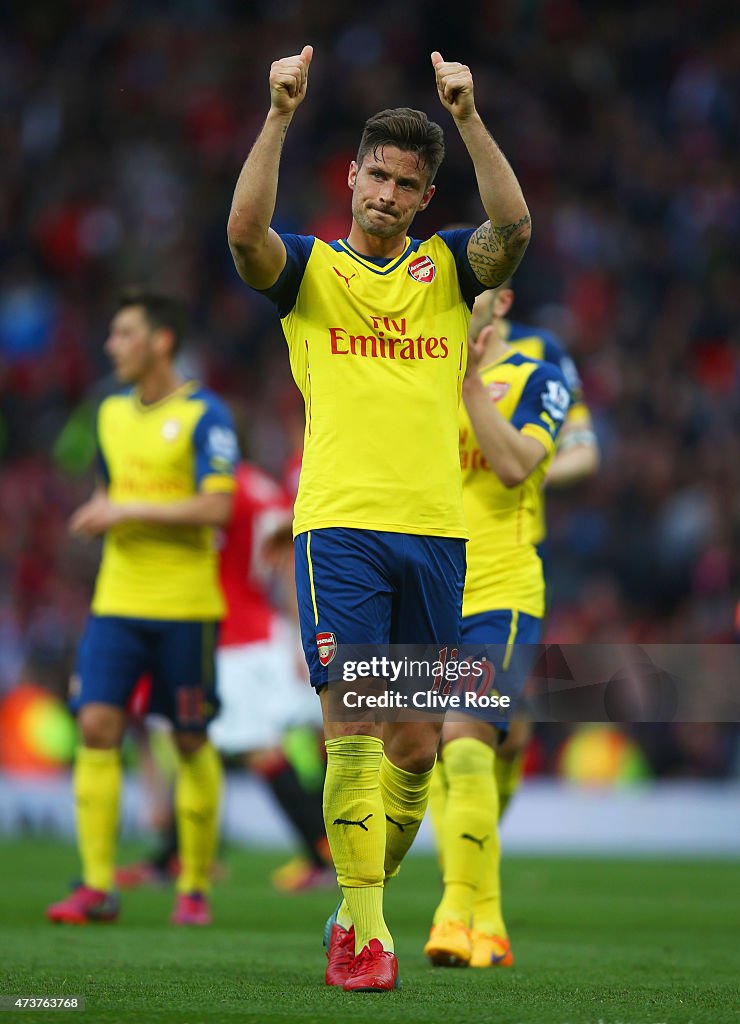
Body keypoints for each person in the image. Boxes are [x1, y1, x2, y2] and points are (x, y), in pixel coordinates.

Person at [227, 45, 531, 991]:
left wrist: (470, 117)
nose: (388, 194)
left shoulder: (446, 270)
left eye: (407, 183)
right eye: (377, 175)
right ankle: (366, 934)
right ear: (351, 175)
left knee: (414, 747)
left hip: (439, 536)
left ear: (423, 196)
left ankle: (354, 901)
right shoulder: (313, 274)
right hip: (342, 529)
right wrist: (278, 112)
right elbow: (244, 236)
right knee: (352, 726)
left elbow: (513, 227)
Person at [46, 288, 237, 927]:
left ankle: (193, 884)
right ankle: (97, 884)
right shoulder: (107, 414)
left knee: (188, 738)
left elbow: (218, 507)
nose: (111, 345)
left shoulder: (207, 416)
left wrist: (127, 511)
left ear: (161, 341)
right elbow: (108, 490)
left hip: (185, 608)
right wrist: (105, 513)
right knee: (96, 726)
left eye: (124, 333)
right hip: (117, 603)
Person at [424, 286, 570, 968]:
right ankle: (488, 913)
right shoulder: (420, 373)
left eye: (466, 293)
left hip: (501, 590)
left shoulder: (540, 379)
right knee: (437, 752)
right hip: (427, 591)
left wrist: (469, 383)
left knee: (466, 736)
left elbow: (514, 466)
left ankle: (454, 913)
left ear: (503, 301)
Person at [208, 457, 333, 891]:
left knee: (254, 748)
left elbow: (292, 555)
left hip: (236, 633)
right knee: (308, 737)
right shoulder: (262, 486)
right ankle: (326, 848)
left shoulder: (222, 490)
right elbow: (291, 544)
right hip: (263, 626)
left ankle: (323, 849)